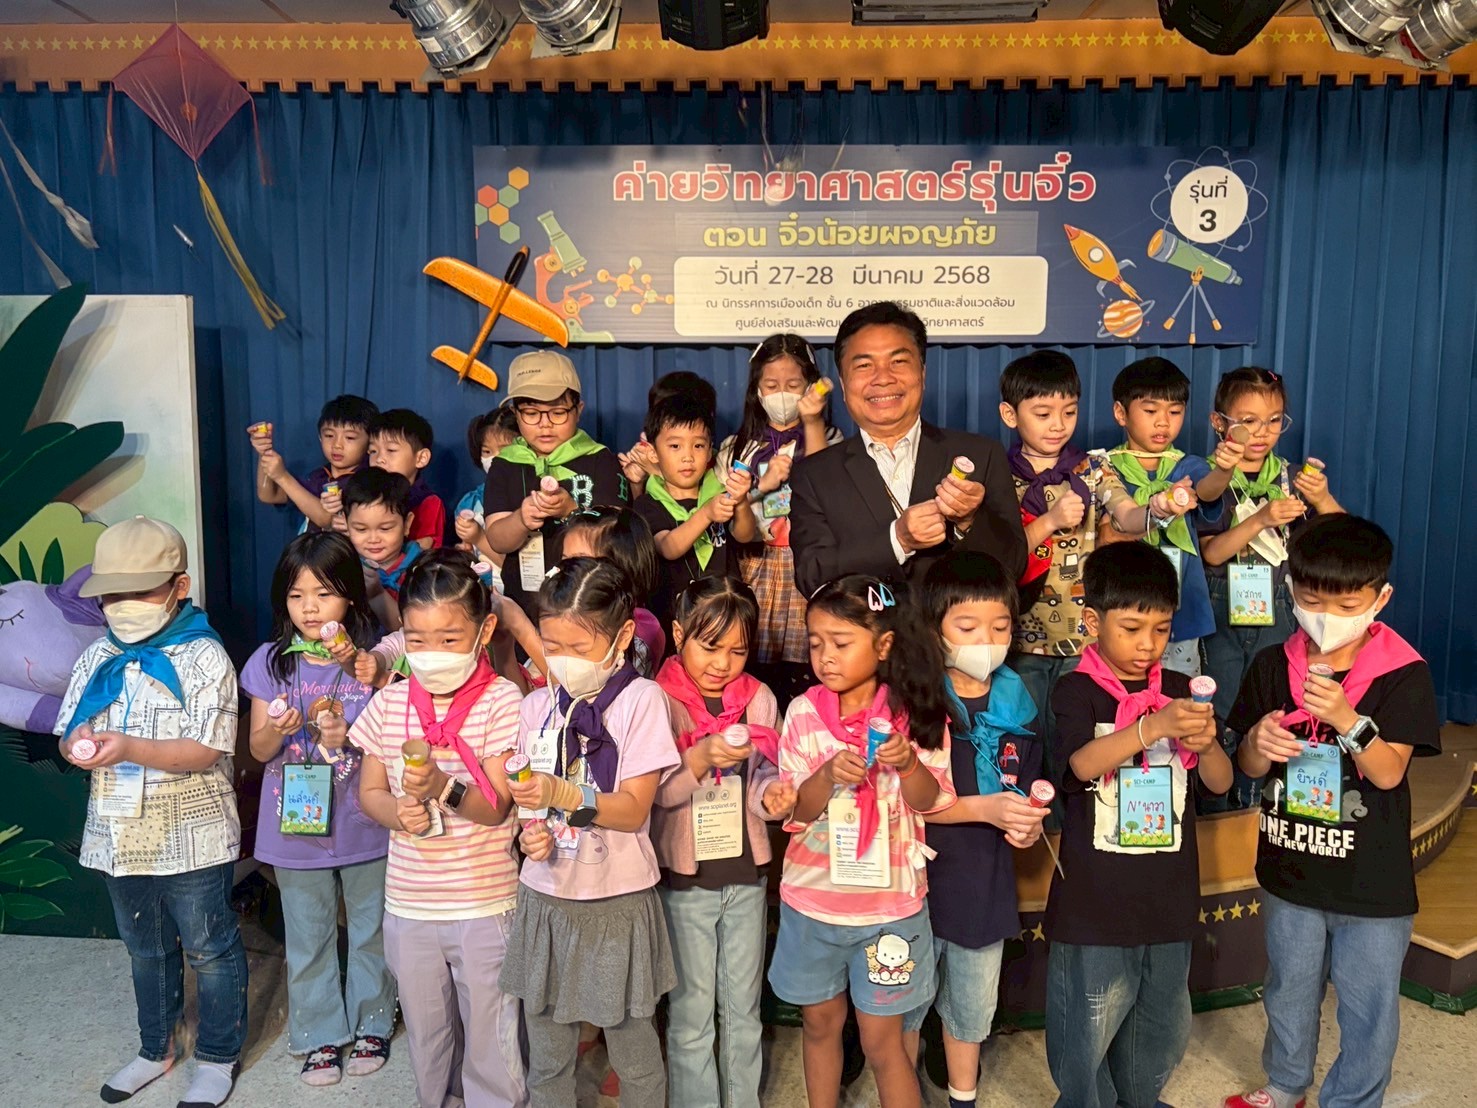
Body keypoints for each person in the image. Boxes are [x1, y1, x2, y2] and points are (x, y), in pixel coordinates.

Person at [1223, 515, 1440, 1108]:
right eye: (1313, 600)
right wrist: (1257, 743)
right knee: (1288, 989)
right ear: (1291, 589)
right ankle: (1286, 1082)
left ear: (1380, 599)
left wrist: (1346, 717)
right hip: (1290, 867)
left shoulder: (1403, 673)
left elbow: (1388, 772)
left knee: (1368, 1005)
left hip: (1371, 882)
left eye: (1347, 605)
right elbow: (1248, 767)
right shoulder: (1273, 665)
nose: (1327, 616)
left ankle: (1353, 1100)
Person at [55, 516, 247, 1108]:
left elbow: (206, 750)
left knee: (209, 946)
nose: (123, 606)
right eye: (112, 594)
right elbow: (67, 731)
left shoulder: (205, 657)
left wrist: (130, 748)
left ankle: (217, 1056)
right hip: (120, 834)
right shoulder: (96, 656)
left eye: (140, 591)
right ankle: (155, 1047)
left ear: (179, 587)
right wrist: (76, 744)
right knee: (144, 946)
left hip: (193, 835)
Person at [1045, 541, 1232, 1108]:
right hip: (1095, 901)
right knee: (1088, 1026)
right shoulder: (1074, 689)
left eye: (1161, 629)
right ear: (1093, 622)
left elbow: (1219, 782)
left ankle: (1140, 1100)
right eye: (1131, 629)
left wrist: (1207, 743)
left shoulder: (1179, 690)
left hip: (1169, 895)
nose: (1148, 645)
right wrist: (1151, 729)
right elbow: (1079, 766)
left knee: (1161, 1022)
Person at [767, 574, 956, 1108]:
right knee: (819, 1026)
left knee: (883, 1043)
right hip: (813, 906)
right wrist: (826, 775)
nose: (825, 657)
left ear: (884, 644)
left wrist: (909, 763)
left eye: (841, 643)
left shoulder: (916, 714)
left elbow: (931, 801)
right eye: (816, 643)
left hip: (888, 912)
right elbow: (798, 810)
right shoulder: (804, 713)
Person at [499, 558, 681, 1108]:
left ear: (622, 637)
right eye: (552, 646)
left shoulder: (642, 701)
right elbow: (528, 802)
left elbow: (633, 810)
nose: (564, 661)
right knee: (548, 1051)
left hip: (615, 901)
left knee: (633, 1050)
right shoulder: (536, 707)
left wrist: (563, 792)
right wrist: (530, 835)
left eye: (579, 648)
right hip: (546, 897)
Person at [352, 549, 527, 1108]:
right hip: (409, 903)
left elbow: (497, 806)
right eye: (417, 639)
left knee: (492, 1033)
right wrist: (395, 812)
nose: (432, 653)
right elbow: (369, 791)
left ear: (485, 631)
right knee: (428, 1035)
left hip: (484, 902)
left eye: (450, 639)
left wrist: (441, 789)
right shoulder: (390, 700)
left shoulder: (502, 700)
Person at [241, 532, 395, 1085]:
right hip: (295, 829)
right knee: (307, 935)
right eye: (296, 595)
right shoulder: (269, 663)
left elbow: (393, 737)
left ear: (351, 595)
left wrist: (346, 734)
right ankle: (319, 1035)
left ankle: (374, 1022)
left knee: (372, 929)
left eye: (324, 593)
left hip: (366, 821)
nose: (309, 608)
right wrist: (279, 729)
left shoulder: (371, 663)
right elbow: (259, 749)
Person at [904, 552, 1049, 1108]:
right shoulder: (914, 700)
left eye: (1000, 626)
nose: (986, 640)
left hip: (983, 888)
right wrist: (984, 809)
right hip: (911, 888)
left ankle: (963, 1098)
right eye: (967, 627)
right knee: (904, 1010)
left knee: (969, 1015)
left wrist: (1024, 828)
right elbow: (901, 803)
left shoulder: (1019, 704)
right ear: (933, 628)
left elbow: (1023, 796)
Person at [652, 576, 793, 1108]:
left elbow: (764, 779)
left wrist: (773, 797)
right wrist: (700, 758)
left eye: (738, 650)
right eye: (709, 646)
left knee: (743, 1010)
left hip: (746, 875)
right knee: (690, 1015)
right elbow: (657, 795)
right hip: (684, 883)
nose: (722, 663)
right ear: (678, 634)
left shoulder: (760, 700)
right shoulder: (657, 700)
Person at [788, 301, 1026, 598]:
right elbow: (811, 577)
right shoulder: (814, 474)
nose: (883, 378)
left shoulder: (981, 454)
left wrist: (969, 521)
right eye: (864, 365)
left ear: (922, 374)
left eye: (898, 361)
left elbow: (1014, 566)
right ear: (843, 384)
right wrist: (897, 539)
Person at [1198, 368, 1344, 808]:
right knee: (1220, 708)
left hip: (1280, 607)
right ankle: (1216, 807)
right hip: (1220, 608)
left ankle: (1262, 804)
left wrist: (1322, 499)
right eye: (1248, 421)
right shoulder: (1208, 477)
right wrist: (1261, 519)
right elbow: (1212, 553)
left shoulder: (1293, 478)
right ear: (1219, 422)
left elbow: (1346, 542)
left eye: (1274, 420)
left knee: (1274, 704)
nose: (1262, 433)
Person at [999, 350, 1144, 762]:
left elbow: (1127, 514)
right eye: (1043, 414)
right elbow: (1000, 554)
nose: (1058, 425)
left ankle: (1072, 808)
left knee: (1077, 741)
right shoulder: (998, 475)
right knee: (1024, 741)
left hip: (1084, 638)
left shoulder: (1092, 468)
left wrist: (1157, 509)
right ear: (1010, 415)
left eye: (1069, 412)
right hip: (1019, 637)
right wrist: (1049, 521)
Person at [719, 334, 843, 704]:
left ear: (811, 386)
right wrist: (763, 485)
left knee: (808, 667)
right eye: (772, 386)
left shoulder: (831, 439)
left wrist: (812, 421)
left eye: (793, 384)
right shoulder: (735, 447)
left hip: (806, 567)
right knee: (751, 663)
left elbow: (828, 490)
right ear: (757, 390)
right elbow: (728, 514)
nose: (782, 394)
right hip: (753, 566)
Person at [1104, 356, 1243, 675]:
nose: (1163, 422)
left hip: (1182, 608)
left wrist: (1224, 469)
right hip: (1122, 605)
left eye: (1175, 411)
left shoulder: (1188, 465)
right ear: (1121, 413)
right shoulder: (1103, 467)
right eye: (1150, 411)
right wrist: (1158, 507)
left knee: (1177, 689)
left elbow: (1207, 491)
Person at [482, 351, 629, 616]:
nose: (545, 424)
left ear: (578, 410)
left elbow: (618, 535)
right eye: (531, 413)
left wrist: (571, 510)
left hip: (590, 603)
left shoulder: (600, 459)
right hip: (524, 605)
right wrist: (521, 519)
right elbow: (497, 539)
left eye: (558, 412)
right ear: (515, 413)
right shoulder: (504, 465)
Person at [633, 388, 757, 625]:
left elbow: (745, 535)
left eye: (698, 446)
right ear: (652, 452)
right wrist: (707, 513)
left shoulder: (718, 490)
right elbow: (668, 547)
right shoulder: (648, 505)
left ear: (710, 450)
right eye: (675, 446)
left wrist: (740, 501)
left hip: (725, 615)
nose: (688, 457)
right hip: (674, 620)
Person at [559, 505, 666, 676]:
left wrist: (521, 627)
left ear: (623, 567)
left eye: (581, 563)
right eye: (565, 562)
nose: (568, 573)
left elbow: (581, 685)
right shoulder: (563, 614)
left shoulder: (641, 631)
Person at [251, 393, 379, 533]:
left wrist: (282, 476)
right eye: (329, 435)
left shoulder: (369, 481)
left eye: (349, 437)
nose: (337, 445)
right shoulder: (318, 476)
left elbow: (325, 519)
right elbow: (269, 495)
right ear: (320, 437)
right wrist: (265, 452)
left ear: (371, 442)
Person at [340, 468, 421, 629]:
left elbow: (414, 632)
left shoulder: (421, 571)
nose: (373, 539)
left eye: (385, 528)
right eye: (361, 529)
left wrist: (376, 594)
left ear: (407, 524)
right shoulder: (341, 565)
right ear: (346, 523)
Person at [365, 408, 445, 550]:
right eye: (373, 451)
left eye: (391, 450)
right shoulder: (363, 494)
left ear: (421, 458)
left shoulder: (429, 503)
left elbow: (426, 546)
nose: (379, 459)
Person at [455, 406, 521, 578]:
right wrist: (466, 551)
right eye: (487, 451)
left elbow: (516, 568)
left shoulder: (529, 501)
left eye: (505, 450)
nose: (494, 459)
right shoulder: (470, 502)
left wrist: (478, 538)